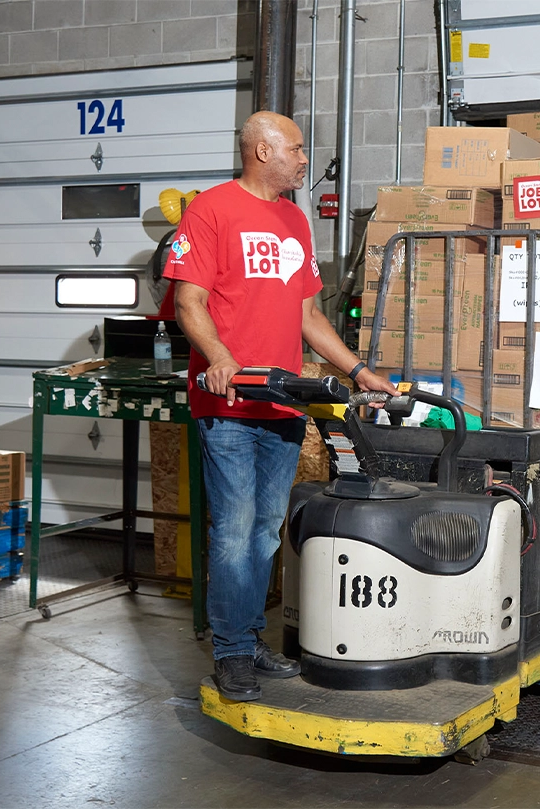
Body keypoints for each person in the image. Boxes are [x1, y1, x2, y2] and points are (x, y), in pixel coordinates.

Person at [165, 111, 396, 701]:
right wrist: (218, 357)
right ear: (262, 151)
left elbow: (308, 317)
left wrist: (361, 371)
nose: (302, 159)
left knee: (265, 532)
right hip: (230, 403)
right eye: (294, 149)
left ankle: (245, 636)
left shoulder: (295, 220)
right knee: (235, 530)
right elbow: (188, 302)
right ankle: (233, 651)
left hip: (284, 405)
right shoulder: (211, 210)